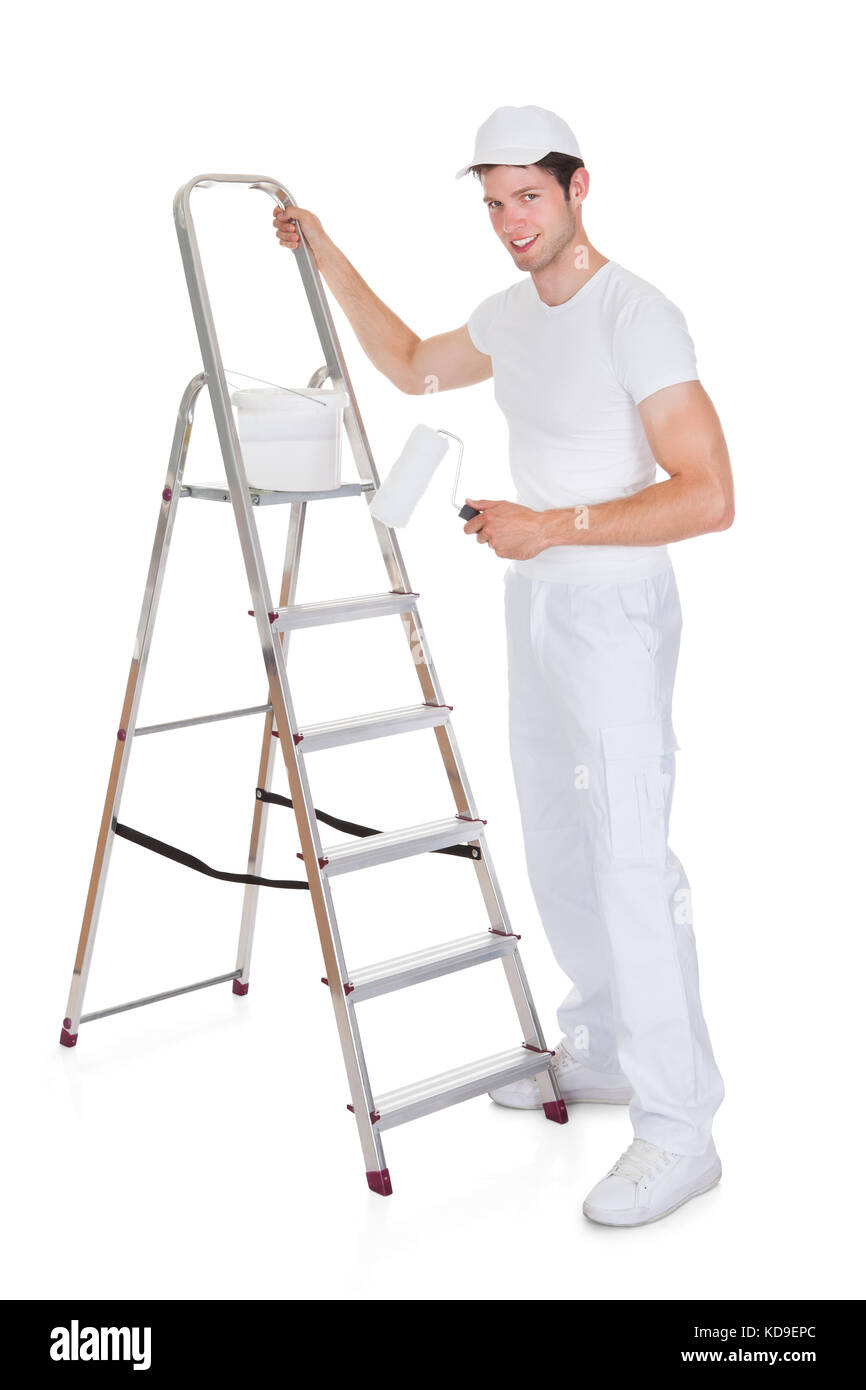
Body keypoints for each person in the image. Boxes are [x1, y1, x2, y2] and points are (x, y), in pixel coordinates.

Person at [272, 104, 733, 1227]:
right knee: (559, 839)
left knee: (630, 856)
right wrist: (324, 249)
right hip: (537, 607)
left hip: (613, 610)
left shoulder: (638, 315)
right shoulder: (510, 316)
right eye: (490, 203)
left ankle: (680, 1132)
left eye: (527, 196)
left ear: (580, 189)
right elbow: (411, 364)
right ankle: (608, 1045)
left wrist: (553, 525)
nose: (508, 221)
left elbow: (708, 495)